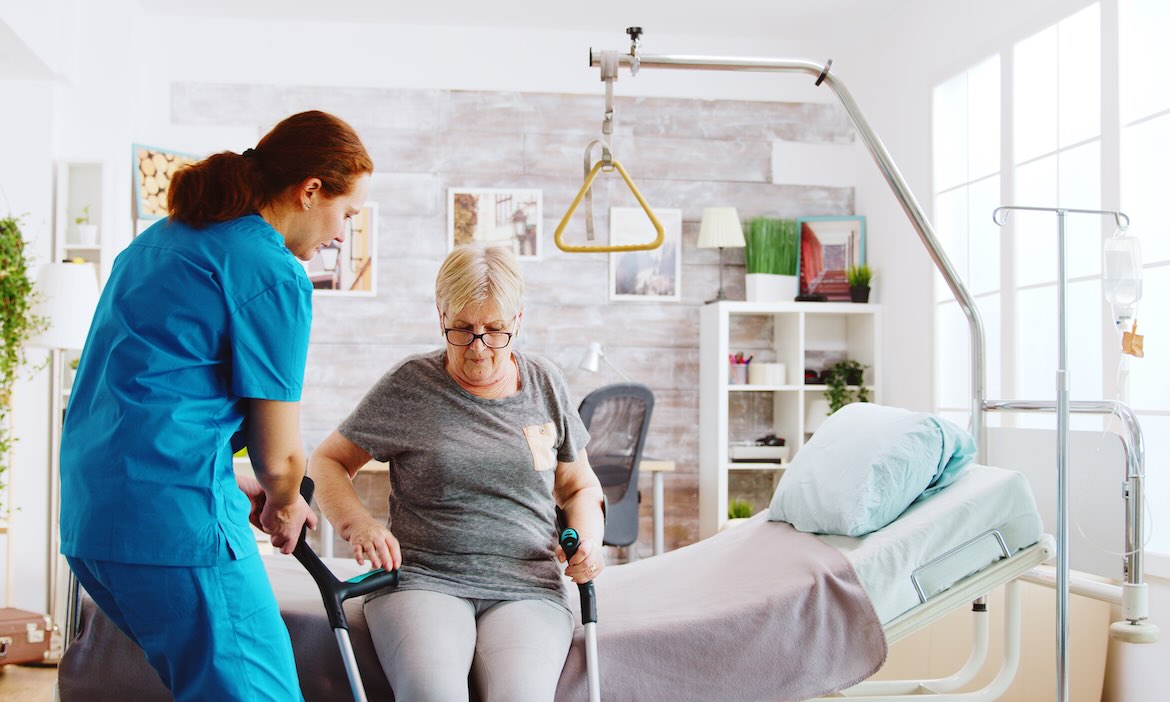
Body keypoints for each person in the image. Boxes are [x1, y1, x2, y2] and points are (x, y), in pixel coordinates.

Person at [59, 110, 373, 702]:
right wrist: (284, 502)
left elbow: (145, 399)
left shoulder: (156, 242)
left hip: (92, 525)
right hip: (172, 528)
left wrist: (231, 480)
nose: (341, 234)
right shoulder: (271, 270)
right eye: (346, 214)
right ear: (310, 191)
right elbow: (281, 459)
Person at [309, 244, 607, 702]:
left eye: (496, 331)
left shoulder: (546, 383)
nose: (479, 347)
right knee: (432, 694)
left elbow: (578, 486)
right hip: (423, 578)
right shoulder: (411, 384)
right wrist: (358, 525)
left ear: (518, 320)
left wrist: (586, 540)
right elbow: (327, 461)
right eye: (463, 330)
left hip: (526, 583)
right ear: (440, 314)